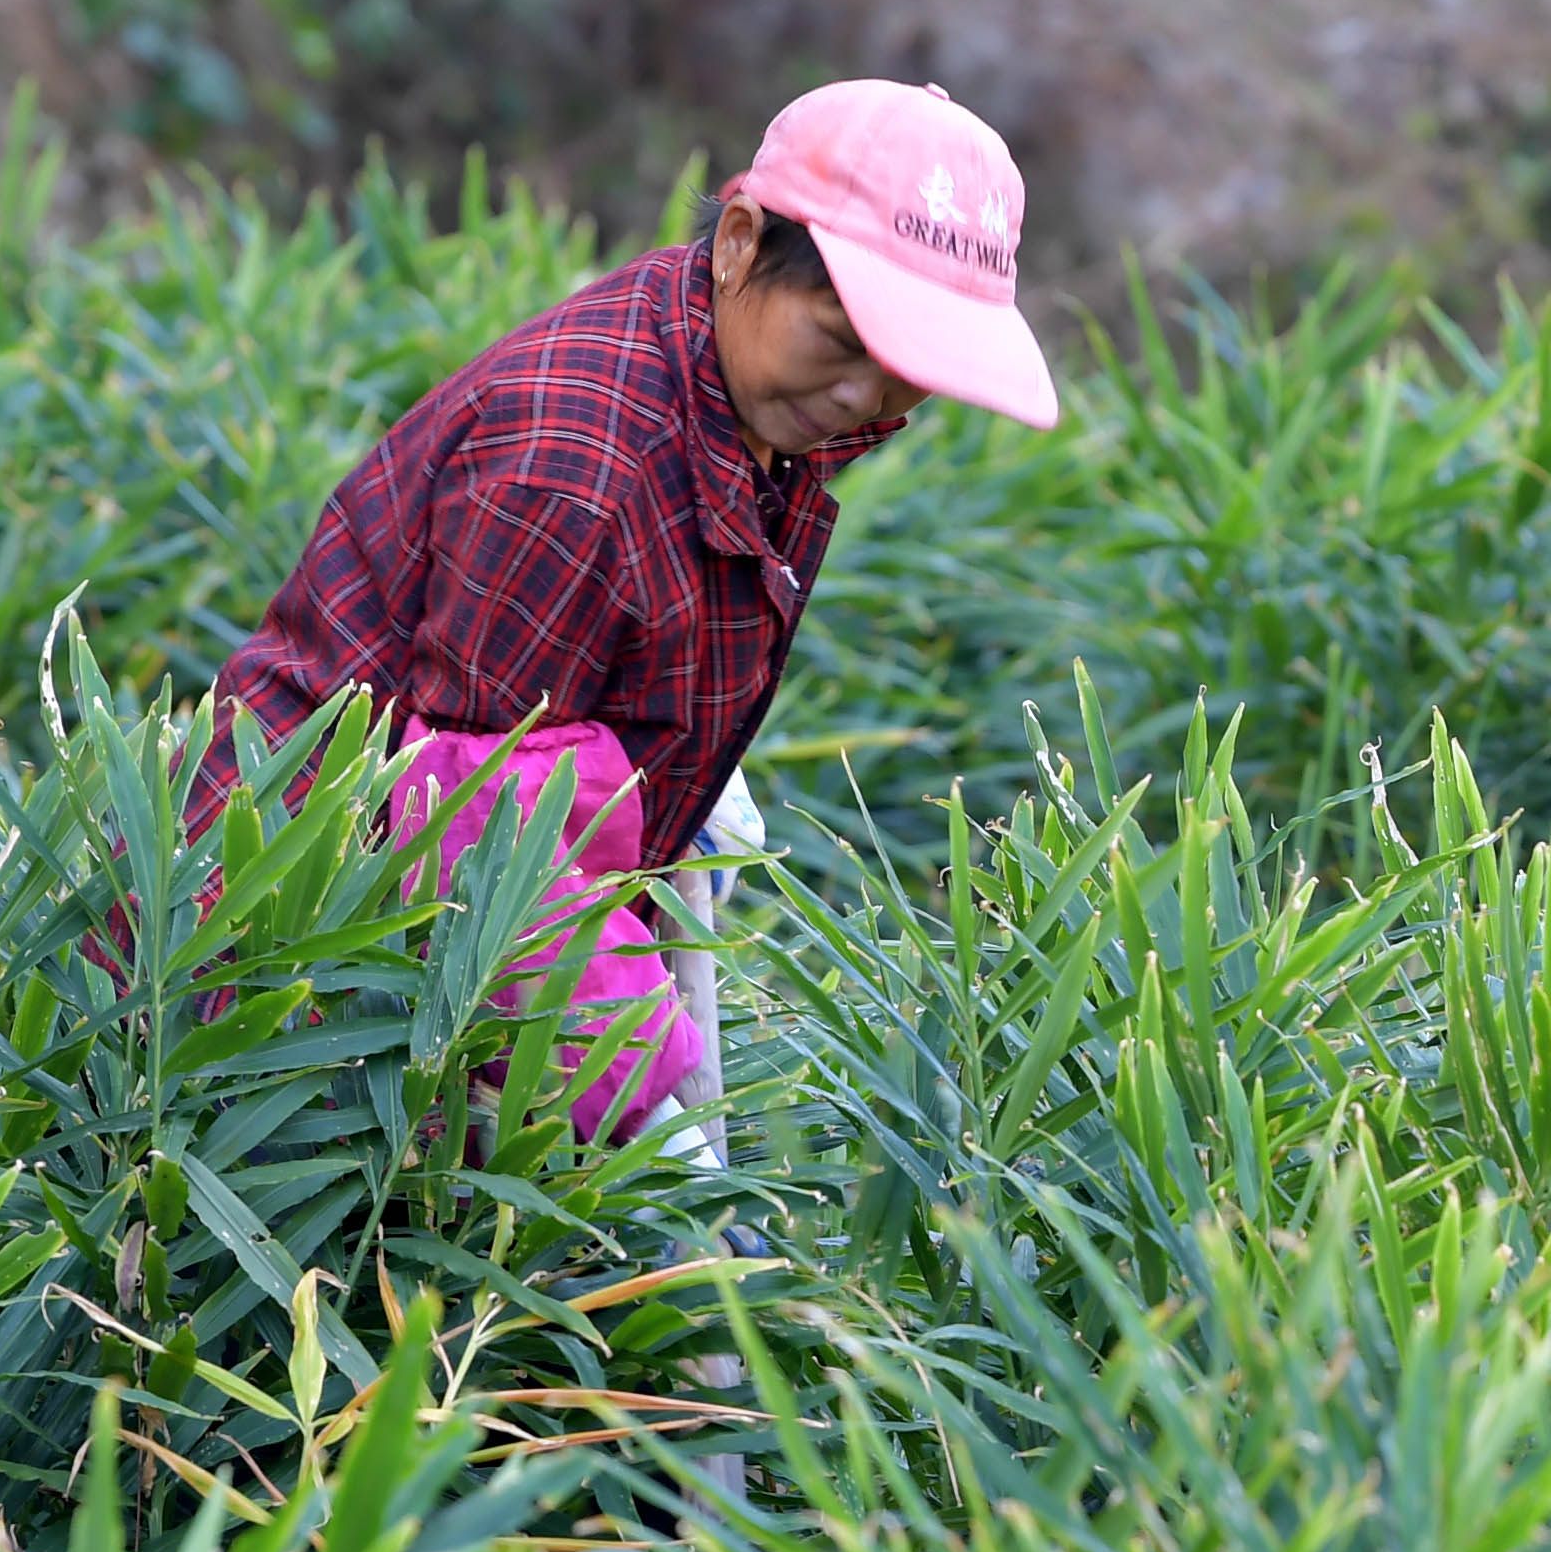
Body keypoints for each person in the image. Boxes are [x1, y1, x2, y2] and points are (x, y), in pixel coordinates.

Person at [191, 78, 1058, 1150]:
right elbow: (480, 838)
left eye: (908, 371)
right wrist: (653, 1129)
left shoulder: (730, 374)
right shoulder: (578, 470)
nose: (860, 400)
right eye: (841, 340)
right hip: (272, 1002)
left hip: (427, 951)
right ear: (739, 241)